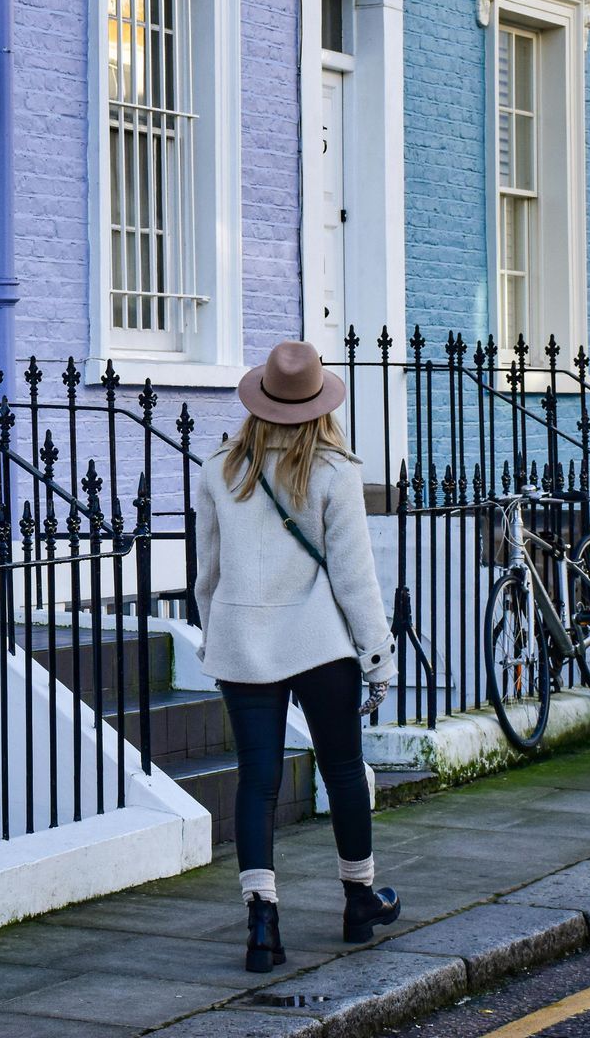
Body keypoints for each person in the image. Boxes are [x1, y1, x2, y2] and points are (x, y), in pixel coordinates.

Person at [193, 339, 402, 973]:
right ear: (319, 404)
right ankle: (359, 899)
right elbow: (354, 578)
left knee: (257, 781)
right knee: (342, 770)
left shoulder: (220, 471)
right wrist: (378, 657)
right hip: (321, 646)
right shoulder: (336, 472)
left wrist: (219, 630)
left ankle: (263, 924)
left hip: (242, 643)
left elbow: (207, 573)